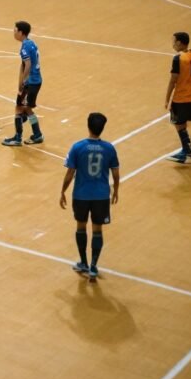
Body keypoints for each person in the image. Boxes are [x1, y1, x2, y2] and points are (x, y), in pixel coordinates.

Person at [60, 113, 120, 280]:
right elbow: (115, 172)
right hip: (101, 196)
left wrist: (62, 191)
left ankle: (83, 262)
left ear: (88, 126)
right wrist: (116, 190)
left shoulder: (78, 147)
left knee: (81, 227)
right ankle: (94, 266)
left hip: (81, 194)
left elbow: (70, 172)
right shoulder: (109, 148)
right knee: (97, 230)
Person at [2, 21, 44, 145]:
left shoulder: (25, 47)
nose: (14, 33)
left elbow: (28, 64)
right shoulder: (31, 43)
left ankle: (18, 138)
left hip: (30, 82)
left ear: (21, 32)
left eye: (15, 31)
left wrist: (23, 82)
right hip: (36, 80)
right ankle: (37, 135)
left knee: (20, 108)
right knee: (26, 107)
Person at [165, 31, 191, 163]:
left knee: (179, 124)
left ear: (180, 43)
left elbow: (173, 80)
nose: (173, 43)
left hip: (182, 97)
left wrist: (167, 98)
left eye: (174, 41)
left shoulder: (178, 58)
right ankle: (188, 150)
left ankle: (187, 151)